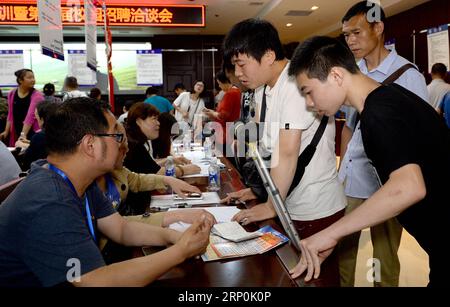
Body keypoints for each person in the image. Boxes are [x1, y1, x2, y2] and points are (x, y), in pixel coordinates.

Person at [288, 35, 450, 287]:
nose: (310, 103)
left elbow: (409, 187)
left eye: (309, 92)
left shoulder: (377, 115)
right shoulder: (391, 95)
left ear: (336, 76)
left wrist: (330, 234)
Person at [0, 97, 211, 287]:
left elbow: (121, 229)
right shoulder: (48, 200)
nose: (122, 145)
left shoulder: (77, 180)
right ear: (90, 145)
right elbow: (95, 281)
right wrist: (181, 251)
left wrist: (174, 237)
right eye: (116, 136)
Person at [222, 19, 347, 286]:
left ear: (268, 56)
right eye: (234, 65)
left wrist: (269, 205)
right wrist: (259, 191)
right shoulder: (264, 89)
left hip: (315, 207)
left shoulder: (293, 84)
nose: (237, 72)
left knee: (316, 280)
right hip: (289, 201)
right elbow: (267, 145)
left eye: (241, 64)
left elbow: (288, 152)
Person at [338, 1, 429, 287]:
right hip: (352, 179)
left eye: (356, 32)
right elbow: (350, 126)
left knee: (383, 257)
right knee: (343, 250)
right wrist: (342, 169)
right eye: (346, 35)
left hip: (386, 183)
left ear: (378, 28)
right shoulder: (354, 71)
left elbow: (418, 134)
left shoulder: (408, 76)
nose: (350, 41)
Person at [124, 102, 200, 214]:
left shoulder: (138, 141)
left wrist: (170, 159)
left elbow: (147, 166)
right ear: (139, 121)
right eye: (154, 119)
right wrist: (185, 169)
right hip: (136, 209)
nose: (158, 123)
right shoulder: (133, 144)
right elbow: (158, 173)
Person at [0, 69, 44, 147]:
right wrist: (6, 131)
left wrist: (23, 135)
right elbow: (10, 114)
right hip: (17, 129)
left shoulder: (37, 95)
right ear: (20, 80)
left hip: (32, 131)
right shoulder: (12, 94)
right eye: (29, 78)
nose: (33, 80)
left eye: (33, 77)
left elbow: (30, 116)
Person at [203, 71, 241, 156]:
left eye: (219, 84)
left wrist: (212, 113)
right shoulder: (237, 91)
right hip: (231, 130)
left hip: (225, 133)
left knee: (224, 159)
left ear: (226, 81)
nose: (219, 86)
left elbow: (222, 115)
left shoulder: (231, 93)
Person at [15, 101, 58, 170]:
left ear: (42, 119)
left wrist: (24, 146)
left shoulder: (40, 136)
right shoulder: (62, 132)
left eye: (36, 117)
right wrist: (29, 143)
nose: (35, 119)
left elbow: (27, 164)